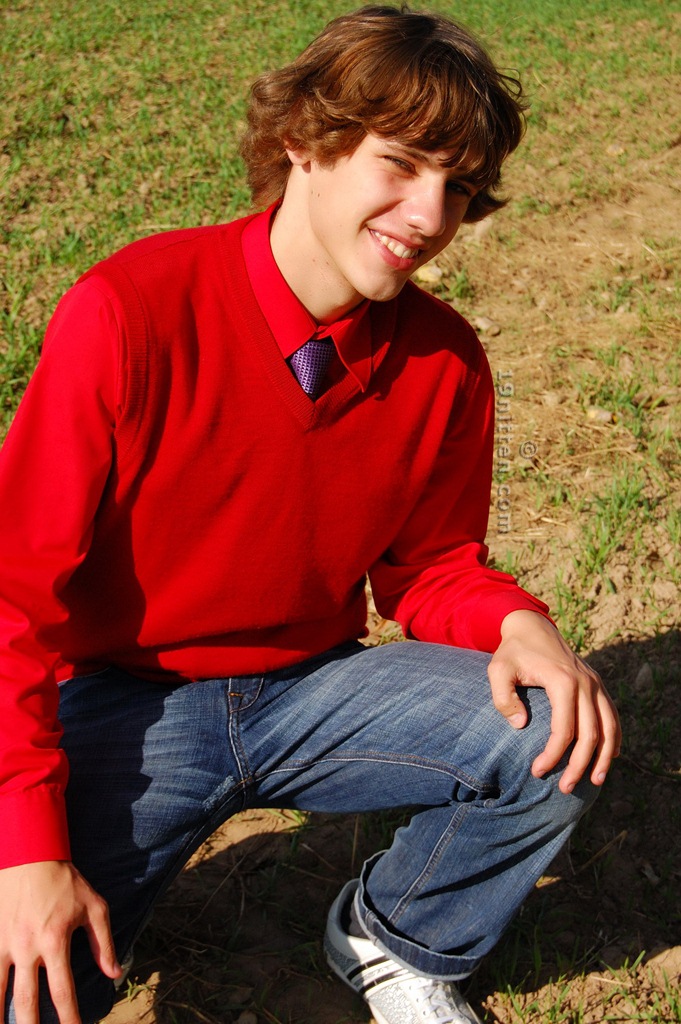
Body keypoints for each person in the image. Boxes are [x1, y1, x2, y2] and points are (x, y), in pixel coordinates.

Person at [0, 6, 621, 1024]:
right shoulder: (130, 311)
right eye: (402, 164)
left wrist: (517, 621)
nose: (428, 214)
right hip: (125, 701)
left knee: (559, 726)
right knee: (23, 986)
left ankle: (397, 937)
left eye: (458, 187)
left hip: (312, 686)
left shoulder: (445, 358)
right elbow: (12, 595)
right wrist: (25, 845)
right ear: (303, 139)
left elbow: (429, 563)